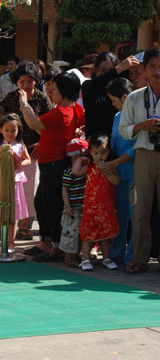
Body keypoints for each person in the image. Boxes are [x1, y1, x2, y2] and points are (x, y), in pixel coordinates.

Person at [19, 72, 85, 262]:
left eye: (54, 89)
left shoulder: (61, 112)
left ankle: (57, 246)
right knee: (42, 203)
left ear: (64, 92)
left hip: (55, 164)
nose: (50, 91)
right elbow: (42, 129)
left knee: (51, 206)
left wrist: (24, 103)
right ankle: (46, 242)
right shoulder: (73, 109)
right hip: (53, 163)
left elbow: (34, 123)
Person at [119, 46, 160, 273]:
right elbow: (124, 130)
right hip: (143, 154)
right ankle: (139, 259)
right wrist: (141, 126)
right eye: (152, 66)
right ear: (145, 69)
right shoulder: (135, 97)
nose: (157, 71)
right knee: (140, 209)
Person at [1, 60, 51, 239]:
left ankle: (24, 226)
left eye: (29, 81)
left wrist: (40, 143)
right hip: (13, 150)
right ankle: (11, 226)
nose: (25, 85)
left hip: (33, 150)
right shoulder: (10, 97)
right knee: (13, 188)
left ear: (36, 81)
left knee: (30, 189)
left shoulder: (41, 98)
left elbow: (48, 124)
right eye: (21, 81)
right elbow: (2, 120)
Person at [73, 133, 120, 271]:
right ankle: (86, 259)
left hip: (105, 207)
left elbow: (116, 181)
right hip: (90, 208)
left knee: (105, 235)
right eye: (96, 153)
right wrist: (81, 159)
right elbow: (75, 171)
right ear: (90, 153)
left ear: (108, 151)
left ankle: (106, 258)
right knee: (87, 235)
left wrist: (108, 172)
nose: (100, 156)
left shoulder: (110, 166)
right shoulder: (89, 166)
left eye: (103, 153)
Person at [0, 113, 31, 253]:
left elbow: (28, 160)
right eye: (7, 130)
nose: (10, 133)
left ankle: (11, 243)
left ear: (18, 130)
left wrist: (19, 163)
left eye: (13, 130)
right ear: (0, 130)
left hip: (13, 184)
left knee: (12, 214)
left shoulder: (20, 145)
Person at [103, 78, 136, 266]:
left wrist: (115, 162)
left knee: (135, 217)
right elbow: (114, 143)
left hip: (135, 171)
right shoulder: (117, 116)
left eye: (114, 100)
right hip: (116, 174)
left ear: (124, 97)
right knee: (119, 216)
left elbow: (136, 147)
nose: (113, 104)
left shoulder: (138, 116)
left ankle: (133, 258)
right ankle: (115, 255)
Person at [81, 52, 140, 138]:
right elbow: (98, 82)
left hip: (118, 140)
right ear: (96, 70)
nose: (107, 74)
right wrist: (118, 68)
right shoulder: (88, 86)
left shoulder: (122, 87)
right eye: (102, 70)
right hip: (96, 142)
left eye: (110, 71)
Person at [59, 139, 89, 267]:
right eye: (84, 156)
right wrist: (67, 206)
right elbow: (64, 190)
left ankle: (76, 256)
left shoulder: (85, 170)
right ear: (77, 157)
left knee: (79, 233)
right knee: (70, 233)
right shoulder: (69, 172)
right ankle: (68, 257)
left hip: (83, 207)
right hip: (73, 208)